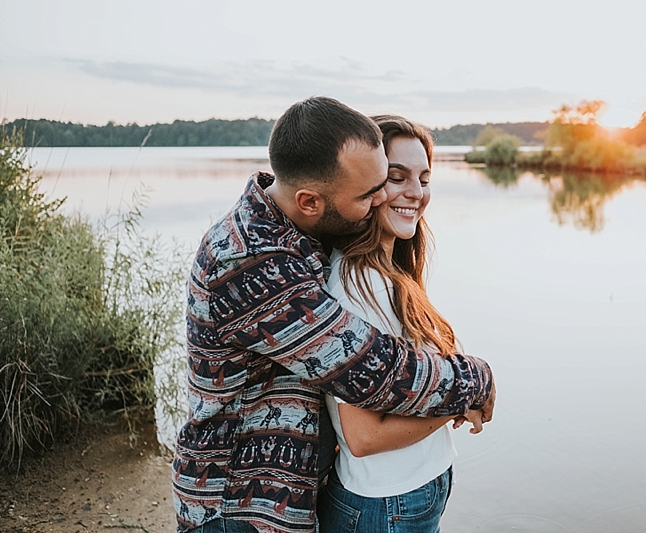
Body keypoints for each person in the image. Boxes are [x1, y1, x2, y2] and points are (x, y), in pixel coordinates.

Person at [172, 97, 495, 533]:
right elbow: (370, 369)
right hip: (241, 505)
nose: (385, 196)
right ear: (310, 201)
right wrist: (473, 381)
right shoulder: (252, 264)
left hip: (286, 492)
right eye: (370, 192)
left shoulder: (301, 230)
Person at [318, 115, 482, 533]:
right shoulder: (357, 284)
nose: (416, 193)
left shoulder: (392, 269)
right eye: (397, 177)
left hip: (413, 489)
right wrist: (458, 399)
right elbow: (363, 436)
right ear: (367, 185)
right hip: (384, 503)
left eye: (425, 178)